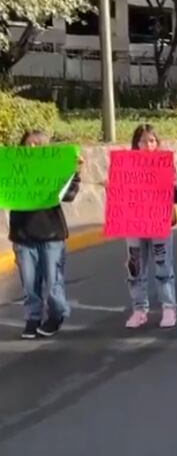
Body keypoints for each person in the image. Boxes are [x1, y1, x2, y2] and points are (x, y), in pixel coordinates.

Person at [8, 130, 81, 339]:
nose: (32, 148)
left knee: (53, 281)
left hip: (51, 234)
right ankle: (32, 318)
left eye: (37, 144)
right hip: (23, 235)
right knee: (29, 282)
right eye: (28, 144)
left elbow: (68, 195)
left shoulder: (54, 170)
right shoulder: (14, 170)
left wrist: (74, 173)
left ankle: (56, 315)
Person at [124, 124, 177, 329]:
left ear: (157, 143)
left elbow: (175, 197)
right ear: (136, 144)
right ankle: (139, 310)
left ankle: (168, 308)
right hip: (134, 224)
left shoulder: (165, 165)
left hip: (159, 223)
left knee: (163, 266)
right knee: (135, 269)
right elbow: (119, 197)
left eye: (152, 141)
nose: (148, 145)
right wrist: (111, 186)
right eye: (143, 141)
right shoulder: (126, 166)